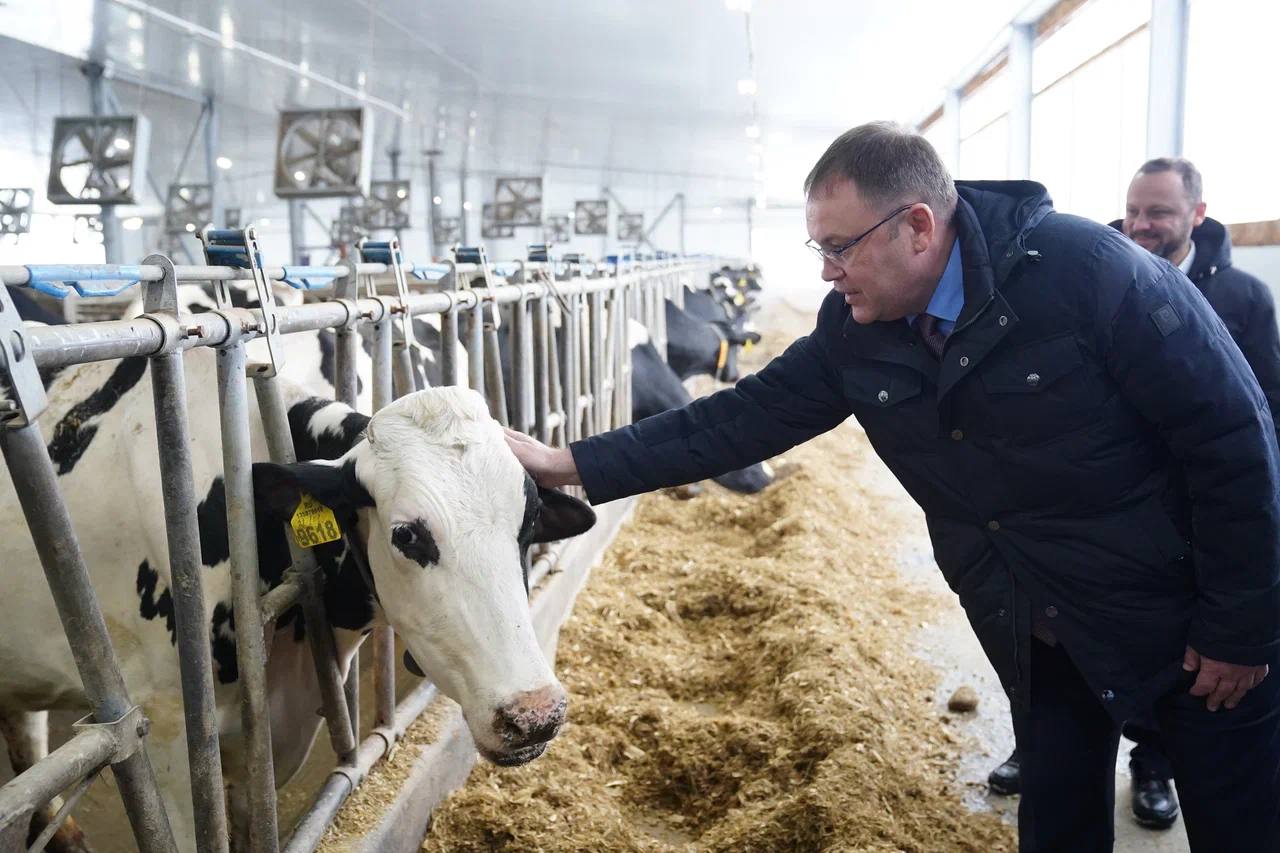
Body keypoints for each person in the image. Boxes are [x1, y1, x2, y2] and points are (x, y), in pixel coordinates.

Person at [506, 121, 1280, 852]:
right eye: (817, 246)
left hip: (1178, 619)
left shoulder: (1086, 273)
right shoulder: (857, 327)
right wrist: (563, 461)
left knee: (1239, 815)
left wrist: (1238, 630)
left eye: (839, 246)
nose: (824, 269)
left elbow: (1233, 438)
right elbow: (737, 420)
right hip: (1036, 622)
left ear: (917, 226)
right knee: (1056, 818)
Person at [986, 155, 1280, 832]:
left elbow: (1258, 426)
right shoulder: (1097, 280)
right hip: (1104, 520)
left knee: (1178, 667)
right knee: (1070, 654)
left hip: (1190, 522)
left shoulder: (1242, 299)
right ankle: (1039, 749)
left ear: (1197, 217)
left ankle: (1154, 765)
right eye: (1134, 211)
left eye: (1161, 213)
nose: (1142, 225)